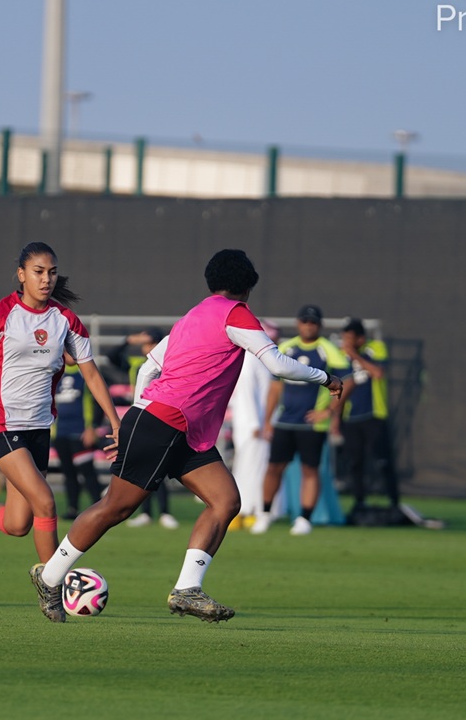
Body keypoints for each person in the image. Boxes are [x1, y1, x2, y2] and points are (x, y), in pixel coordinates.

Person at [32, 250, 343, 623]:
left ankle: (186, 590)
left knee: (225, 500)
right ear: (248, 286)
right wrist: (326, 378)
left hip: (177, 428)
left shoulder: (193, 316)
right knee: (116, 507)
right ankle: (49, 576)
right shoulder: (236, 313)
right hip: (164, 422)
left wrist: (135, 415)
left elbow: (148, 369)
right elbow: (276, 363)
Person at [0, 242, 122, 576]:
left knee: (18, 523)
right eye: (39, 272)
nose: (46, 279)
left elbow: (91, 373)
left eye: (52, 272)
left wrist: (115, 421)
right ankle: (53, 584)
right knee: (45, 501)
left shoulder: (65, 320)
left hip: (38, 427)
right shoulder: (0, 315)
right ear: (21, 275)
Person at [251, 304, 350, 536]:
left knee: (310, 469)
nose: (308, 326)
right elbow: (275, 388)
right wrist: (267, 420)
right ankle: (264, 514)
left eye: (313, 322)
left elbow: (346, 381)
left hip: (311, 423)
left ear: (319, 325)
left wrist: (328, 411)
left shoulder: (328, 350)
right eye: (305, 321)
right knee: (274, 467)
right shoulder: (287, 347)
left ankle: (305, 518)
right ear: (298, 323)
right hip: (285, 420)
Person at [109, 328, 177, 529]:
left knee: (160, 468)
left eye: (149, 343)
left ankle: (165, 512)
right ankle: (146, 513)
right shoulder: (138, 365)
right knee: (143, 467)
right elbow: (112, 357)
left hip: (162, 418)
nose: (145, 348)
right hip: (141, 419)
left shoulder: (169, 364)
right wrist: (128, 339)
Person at [339, 318, 400, 522]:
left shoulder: (375, 348)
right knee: (355, 462)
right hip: (351, 416)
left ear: (360, 338)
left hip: (374, 414)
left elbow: (378, 372)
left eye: (350, 337)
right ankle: (359, 501)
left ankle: (394, 501)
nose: (346, 342)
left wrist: (354, 355)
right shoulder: (341, 356)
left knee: (382, 459)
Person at [226, 319, 280, 530]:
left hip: (258, 422)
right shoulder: (251, 358)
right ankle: (247, 510)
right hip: (253, 425)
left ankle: (255, 510)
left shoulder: (260, 358)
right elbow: (247, 395)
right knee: (251, 468)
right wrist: (256, 423)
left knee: (258, 467)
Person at [53, 353, 105, 519]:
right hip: (61, 432)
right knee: (68, 473)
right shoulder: (55, 373)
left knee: (87, 471)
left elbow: (99, 402)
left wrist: (93, 428)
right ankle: (72, 509)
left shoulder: (86, 372)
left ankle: (100, 508)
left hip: (81, 432)